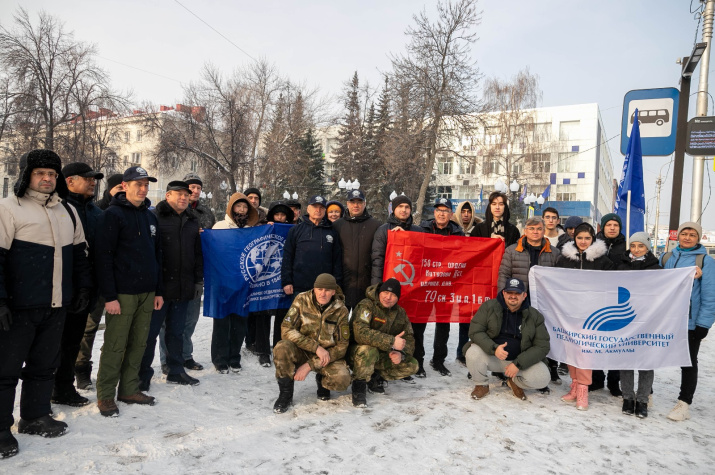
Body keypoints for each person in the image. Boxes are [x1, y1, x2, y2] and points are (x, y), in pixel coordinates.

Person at [0, 150, 91, 458]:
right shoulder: (8, 209)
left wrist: (82, 288)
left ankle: (34, 416)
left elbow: (79, 255)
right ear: (28, 175)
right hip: (18, 307)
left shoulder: (68, 210)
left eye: (52, 174)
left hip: (56, 306)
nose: (47, 179)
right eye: (41, 173)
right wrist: (1, 301)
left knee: (44, 366)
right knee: (5, 370)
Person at [94, 166, 164, 417]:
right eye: (138, 184)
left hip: (147, 292)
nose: (143, 189)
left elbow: (157, 256)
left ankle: (129, 388)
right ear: (125, 186)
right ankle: (105, 395)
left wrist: (158, 291)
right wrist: (109, 296)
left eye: (146, 185)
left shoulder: (150, 216)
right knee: (115, 344)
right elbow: (103, 258)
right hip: (122, 294)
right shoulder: (112, 215)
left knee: (138, 343)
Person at [138, 181, 203, 390]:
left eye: (186, 194)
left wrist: (196, 280)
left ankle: (176, 370)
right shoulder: (155, 217)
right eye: (179, 194)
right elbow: (149, 254)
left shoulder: (193, 221)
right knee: (149, 334)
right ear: (167, 196)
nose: (184, 198)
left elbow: (197, 254)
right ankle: (142, 375)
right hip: (160, 288)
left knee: (176, 333)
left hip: (183, 287)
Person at [51, 162, 104, 407]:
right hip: (60, 288)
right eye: (87, 178)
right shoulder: (58, 207)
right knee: (53, 345)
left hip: (87, 287)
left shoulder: (95, 212)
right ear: (69, 180)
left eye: (94, 178)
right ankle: (46, 391)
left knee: (73, 341)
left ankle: (64, 388)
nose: (93, 181)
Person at [160, 173, 215, 374]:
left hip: (192, 274)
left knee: (189, 320)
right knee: (167, 324)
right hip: (168, 276)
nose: (193, 192)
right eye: (190, 188)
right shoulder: (161, 215)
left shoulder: (205, 214)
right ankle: (167, 359)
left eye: (197, 188)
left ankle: (185, 355)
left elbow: (211, 241)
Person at [555, 222, 614, 411]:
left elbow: (611, 286)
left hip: (591, 315)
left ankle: (583, 389)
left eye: (587, 238)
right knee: (570, 350)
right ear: (574, 237)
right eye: (579, 238)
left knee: (585, 353)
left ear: (593, 239)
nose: (583, 241)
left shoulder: (603, 261)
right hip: (569, 313)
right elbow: (556, 282)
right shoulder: (565, 259)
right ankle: (574, 385)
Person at [273, 274, 351, 414]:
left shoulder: (341, 310)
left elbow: (342, 346)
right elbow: (286, 329)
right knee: (282, 347)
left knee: (342, 379)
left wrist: (311, 364)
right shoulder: (302, 300)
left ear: (333, 291)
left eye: (327, 290)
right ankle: (285, 394)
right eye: (319, 289)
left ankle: (322, 381)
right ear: (314, 289)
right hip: (302, 350)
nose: (323, 293)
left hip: (325, 357)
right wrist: (315, 347)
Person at [497, 216, 560, 388]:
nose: (535, 232)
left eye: (538, 229)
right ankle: (510, 371)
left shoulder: (553, 253)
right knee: (517, 336)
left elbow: (559, 279)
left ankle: (542, 370)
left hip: (542, 303)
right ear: (525, 230)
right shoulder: (512, 250)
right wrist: (502, 297)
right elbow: (504, 274)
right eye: (531, 229)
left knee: (539, 338)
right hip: (516, 301)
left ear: (543, 230)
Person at [661, 222, 715, 421]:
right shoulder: (666, 257)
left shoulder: (705, 261)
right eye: (684, 233)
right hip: (666, 319)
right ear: (678, 236)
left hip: (690, 321)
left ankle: (684, 403)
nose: (687, 237)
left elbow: (711, 296)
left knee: (689, 361)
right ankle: (645, 393)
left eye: (692, 234)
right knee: (651, 352)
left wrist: (704, 323)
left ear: (698, 238)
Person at [464, 278, 550, 401]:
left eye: (517, 293)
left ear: (524, 295)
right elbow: (475, 331)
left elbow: (542, 346)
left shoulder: (535, 316)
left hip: (519, 363)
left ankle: (515, 382)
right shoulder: (489, 307)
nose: (513, 296)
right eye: (510, 292)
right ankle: (481, 384)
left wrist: (518, 363)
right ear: (504, 293)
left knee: (543, 378)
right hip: (493, 357)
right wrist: (494, 348)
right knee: (472, 352)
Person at [75, 173, 123, 390]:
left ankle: (111, 369)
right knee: (88, 328)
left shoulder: (128, 210)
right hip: (94, 278)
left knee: (116, 329)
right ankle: (81, 367)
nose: (122, 190)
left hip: (117, 279)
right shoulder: (99, 211)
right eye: (118, 187)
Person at [348, 278, 419, 407]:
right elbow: (361, 334)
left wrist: (400, 353)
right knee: (369, 351)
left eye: (393, 295)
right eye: (385, 293)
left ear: (397, 298)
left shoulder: (400, 313)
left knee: (412, 365)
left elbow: (409, 339)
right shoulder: (366, 305)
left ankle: (375, 377)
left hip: (382, 354)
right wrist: (392, 342)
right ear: (379, 292)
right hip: (357, 353)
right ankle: (359, 386)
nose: (388, 297)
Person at [211, 192, 259, 373]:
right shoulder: (220, 226)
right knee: (222, 322)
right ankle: (220, 359)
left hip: (243, 283)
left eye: (245, 207)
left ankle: (234, 357)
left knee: (239, 323)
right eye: (238, 206)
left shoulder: (249, 230)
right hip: (222, 282)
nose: (242, 209)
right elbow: (212, 250)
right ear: (231, 208)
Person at [416, 198, 464, 378]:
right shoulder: (422, 229)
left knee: (443, 324)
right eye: (438, 210)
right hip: (425, 284)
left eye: (445, 210)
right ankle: (418, 361)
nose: (442, 213)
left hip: (447, 286)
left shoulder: (458, 233)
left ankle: (438, 361)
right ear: (434, 213)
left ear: (451, 214)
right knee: (419, 324)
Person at [616, 232, 661, 419]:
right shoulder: (621, 266)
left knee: (645, 361)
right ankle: (627, 397)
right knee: (626, 358)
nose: (636, 249)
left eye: (640, 246)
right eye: (633, 246)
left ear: (647, 248)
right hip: (627, 319)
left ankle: (642, 399)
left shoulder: (656, 268)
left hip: (648, 319)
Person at [592, 213, 627, 396]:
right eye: (609, 225)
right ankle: (596, 378)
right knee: (596, 339)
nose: (612, 228)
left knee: (616, 342)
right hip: (597, 298)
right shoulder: (595, 244)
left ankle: (614, 381)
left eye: (616, 225)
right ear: (603, 227)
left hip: (618, 298)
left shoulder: (628, 245)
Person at [282, 195, 343, 296]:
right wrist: (286, 281)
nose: (318, 210)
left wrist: (337, 284)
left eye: (321, 208)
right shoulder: (296, 230)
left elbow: (337, 260)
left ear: (325, 211)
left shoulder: (332, 232)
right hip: (300, 287)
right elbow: (288, 257)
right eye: (315, 207)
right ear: (308, 209)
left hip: (324, 288)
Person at [332, 189, 381, 311]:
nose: (356, 205)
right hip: (343, 285)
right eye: (352, 202)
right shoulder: (337, 225)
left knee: (361, 325)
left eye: (359, 202)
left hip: (366, 285)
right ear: (347, 204)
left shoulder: (376, 225)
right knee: (340, 325)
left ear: (365, 203)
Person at [371, 194, 423, 286]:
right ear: (394, 209)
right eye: (400, 206)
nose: (404, 210)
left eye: (407, 207)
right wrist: (376, 287)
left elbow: (422, 256)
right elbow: (377, 261)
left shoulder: (418, 231)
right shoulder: (383, 230)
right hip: (388, 283)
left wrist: (406, 237)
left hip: (413, 283)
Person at [265, 201, 295, 350]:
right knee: (264, 313)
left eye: (283, 215)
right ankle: (262, 347)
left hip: (286, 274)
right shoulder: (266, 227)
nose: (280, 217)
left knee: (284, 313)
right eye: (277, 214)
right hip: (269, 278)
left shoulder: (293, 229)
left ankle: (280, 344)